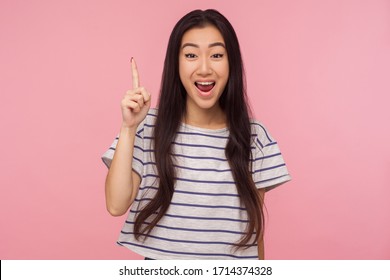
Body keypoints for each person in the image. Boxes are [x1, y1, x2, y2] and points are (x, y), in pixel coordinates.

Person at [102, 9, 291, 260]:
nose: (204, 68)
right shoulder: (147, 126)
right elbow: (116, 205)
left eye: (216, 55)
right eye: (191, 55)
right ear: (176, 63)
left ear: (231, 62)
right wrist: (128, 128)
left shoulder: (254, 136)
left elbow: (254, 230)